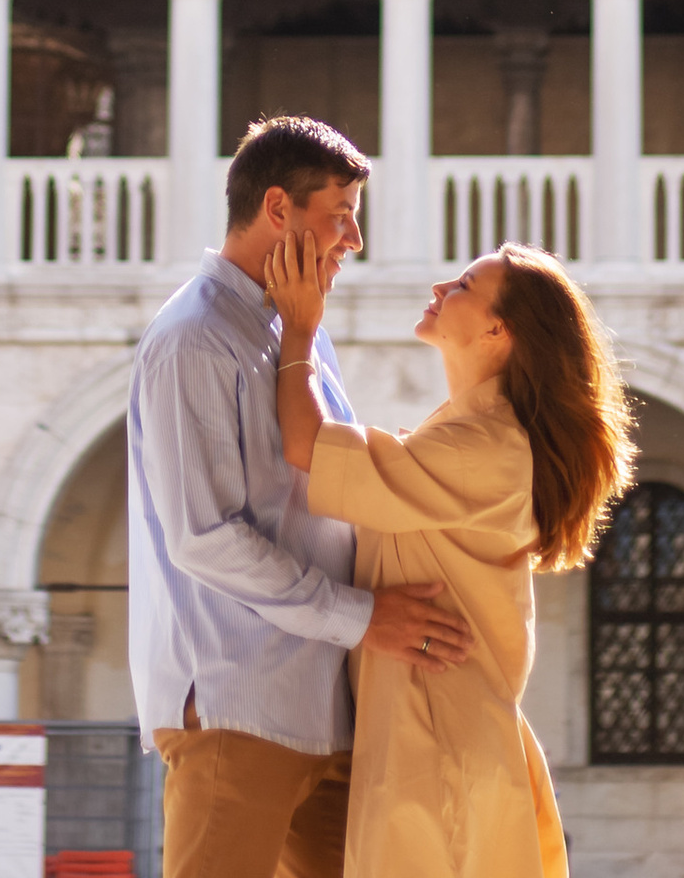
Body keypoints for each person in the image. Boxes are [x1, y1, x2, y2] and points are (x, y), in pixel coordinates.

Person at [127, 116, 475, 878]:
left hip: (323, 704)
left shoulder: (300, 325)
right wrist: (364, 618)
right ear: (278, 210)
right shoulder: (193, 338)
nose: (353, 239)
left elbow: (329, 482)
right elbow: (203, 535)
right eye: (341, 215)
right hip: (237, 702)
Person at [262, 238, 635, 878]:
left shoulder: (477, 446)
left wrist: (299, 329)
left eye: (463, 285)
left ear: (499, 326)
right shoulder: (469, 435)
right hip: (434, 746)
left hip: (435, 757)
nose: (440, 288)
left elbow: (305, 443)